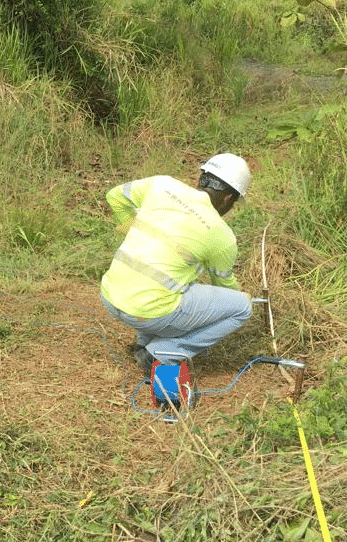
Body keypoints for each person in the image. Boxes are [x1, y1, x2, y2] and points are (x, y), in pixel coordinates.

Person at [100, 153, 253, 376]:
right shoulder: (221, 235)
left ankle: (144, 345)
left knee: (170, 285)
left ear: (202, 178)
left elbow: (114, 196)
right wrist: (241, 296)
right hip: (146, 311)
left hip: (110, 296)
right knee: (241, 308)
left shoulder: (162, 185)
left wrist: (132, 228)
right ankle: (164, 352)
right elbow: (224, 285)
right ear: (229, 198)